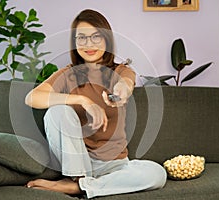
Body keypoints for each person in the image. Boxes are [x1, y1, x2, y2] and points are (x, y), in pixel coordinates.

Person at [25, 9, 166, 199]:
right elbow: (32, 97)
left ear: (106, 40)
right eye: (81, 38)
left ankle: (81, 187)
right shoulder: (68, 74)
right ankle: (79, 178)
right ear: (75, 43)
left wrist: (122, 89)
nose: (88, 44)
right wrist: (82, 100)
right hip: (79, 162)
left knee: (157, 174)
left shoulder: (121, 70)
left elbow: (126, 81)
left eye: (96, 37)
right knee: (56, 111)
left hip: (116, 165)